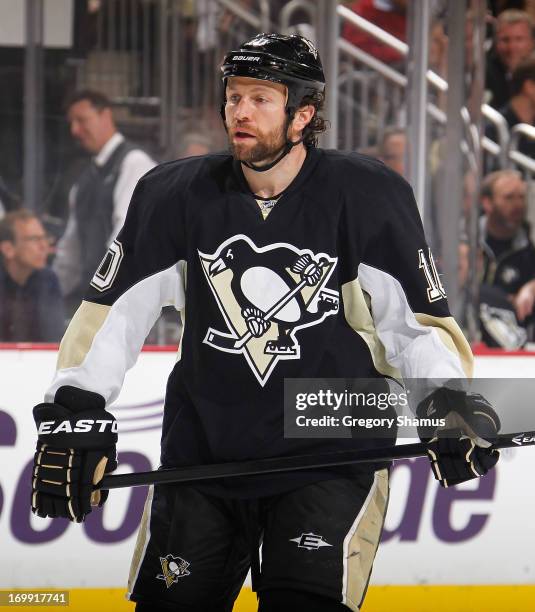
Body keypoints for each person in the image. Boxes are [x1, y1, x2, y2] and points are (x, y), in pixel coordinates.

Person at [30, 34, 500, 612]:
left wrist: (448, 401)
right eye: (233, 97)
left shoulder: (367, 195)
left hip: (328, 452)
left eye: (260, 98)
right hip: (205, 453)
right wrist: (76, 409)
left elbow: (415, 325)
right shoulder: (172, 194)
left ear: (304, 115)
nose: (240, 112)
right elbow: (111, 315)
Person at [52, 90, 156, 312]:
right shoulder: (83, 181)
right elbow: (71, 252)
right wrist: (51, 294)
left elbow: (125, 237)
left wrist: (104, 295)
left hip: (122, 303)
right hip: (96, 301)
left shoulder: (134, 163)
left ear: (106, 115)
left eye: (82, 120)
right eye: (72, 123)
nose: (75, 130)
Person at [479, 169, 535, 347]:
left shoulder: (530, 246)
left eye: (521, 197)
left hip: (514, 345)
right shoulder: (465, 242)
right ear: (487, 203)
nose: (518, 205)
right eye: (509, 198)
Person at [0, 209, 64, 342]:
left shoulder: (48, 280)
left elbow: (53, 339)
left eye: (45, 238)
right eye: (34, 239)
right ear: (8, 249)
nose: (44, 246)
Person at [485, 9, 535, 109]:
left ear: (532, 42)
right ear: (495, 42)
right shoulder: (483, 73)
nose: (512, 48)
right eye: (505, 40)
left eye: (519, 39)